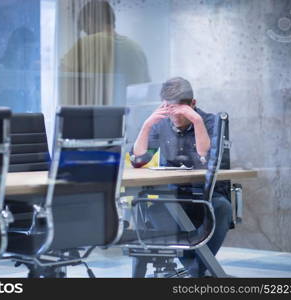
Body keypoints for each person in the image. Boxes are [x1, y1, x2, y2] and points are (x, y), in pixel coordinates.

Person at [130, 77, 233, 277]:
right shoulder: (161, 125)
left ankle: (194, 270)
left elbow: (207, 157)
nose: (174, 114)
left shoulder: (212, 122)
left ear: (193, 104)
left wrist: (196, 120)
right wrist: (147, 124)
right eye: (169, 108)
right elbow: (139, 159)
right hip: (172, 195)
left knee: (223, 208)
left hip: (206, 196)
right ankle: (195, 270)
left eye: (179, 108)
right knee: (153, 211)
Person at [59, 0, 150, 106]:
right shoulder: (136, 48)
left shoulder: (88, 43)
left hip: (97, 116)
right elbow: (145, 88)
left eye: (84, 29)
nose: (86, 33)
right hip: (130, 116)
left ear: (89, 21)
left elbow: (63, 75)